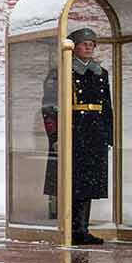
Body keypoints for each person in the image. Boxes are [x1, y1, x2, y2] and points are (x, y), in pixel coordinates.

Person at [42, 26, 113, 246]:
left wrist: (109, 136)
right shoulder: (61, 72)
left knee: (88, 185)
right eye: (84, 44)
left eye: (92, 44)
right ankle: (69, 228)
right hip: (72, 131)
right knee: (71, 183)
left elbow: (106, 107)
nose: (88, 48)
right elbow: (49, 107)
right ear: (74, 48)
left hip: (94, 134)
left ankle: (82, 229)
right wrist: (55, 136)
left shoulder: (100, 73)